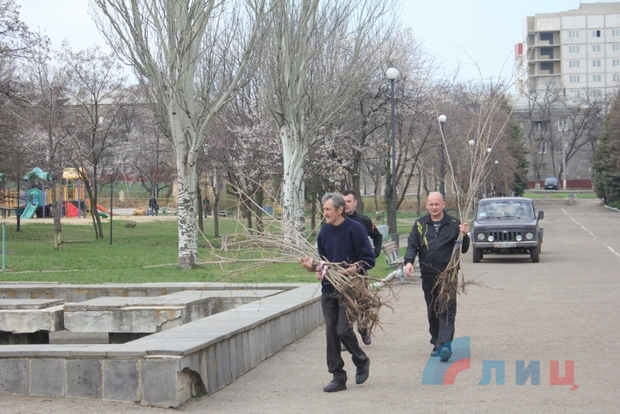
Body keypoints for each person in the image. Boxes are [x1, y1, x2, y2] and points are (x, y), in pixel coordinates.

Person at [301, 193, 375, 393]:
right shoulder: (324, 231)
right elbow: (321, 262)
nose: (324, 213)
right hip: (328, 288)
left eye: (328, 209)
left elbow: (368, 259)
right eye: (323, 209)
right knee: (331, 334)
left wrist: (350, 270)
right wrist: (312, 268)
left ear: (340, 210)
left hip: (349, 288)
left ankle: (361, 360)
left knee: (343, 329)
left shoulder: (356, 229)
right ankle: (338, 377)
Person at [403, 192, 469, 363]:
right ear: (427, 205)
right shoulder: (420, 224)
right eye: (431, 204)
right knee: (433, 309)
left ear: (444, 205)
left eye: (437, 204)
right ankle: (437, 341)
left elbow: (464, 249)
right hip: (428, 273)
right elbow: (412, 245)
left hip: (448, 274)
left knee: (446, 308)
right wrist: (409, 262)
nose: (434, 207)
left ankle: (445, 345)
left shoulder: (454, 224)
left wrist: (465, 235)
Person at [341, 189, 382, 346]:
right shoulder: (337, 221)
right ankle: (346, 337)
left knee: (362, 302)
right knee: (345, 304)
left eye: (349, 201)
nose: (346, 205)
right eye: (343, 201)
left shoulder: (363, 220)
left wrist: (374, 253)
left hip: (359, 269)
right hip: (340, 270)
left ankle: (363, 329)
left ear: (355, 202)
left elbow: (377, 236)